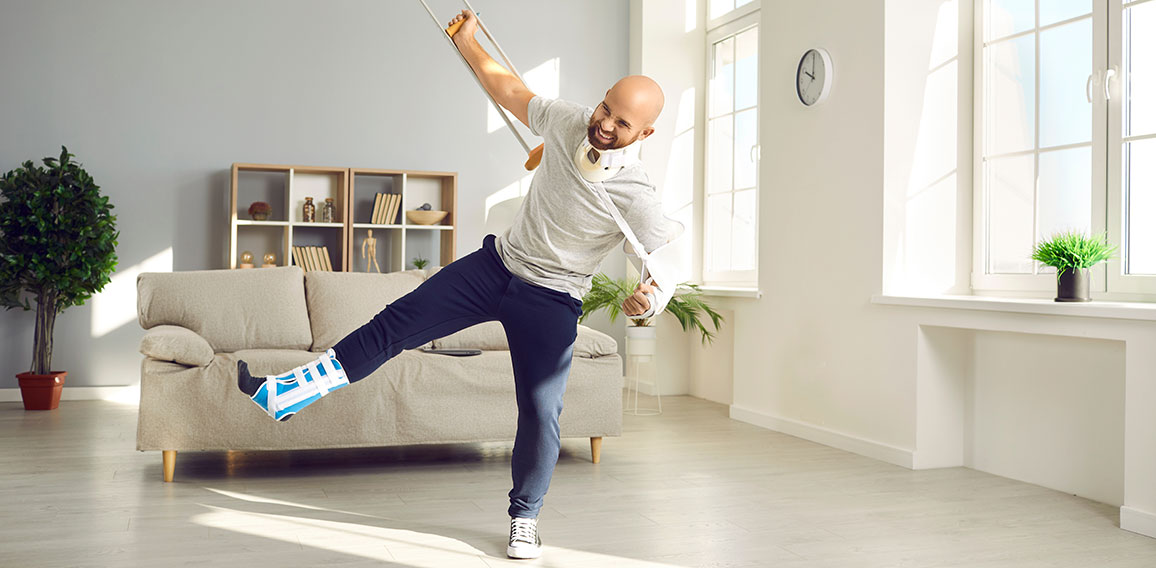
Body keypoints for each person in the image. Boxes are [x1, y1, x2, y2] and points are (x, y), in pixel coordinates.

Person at [235, 9, 676, 560]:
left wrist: (648, 300)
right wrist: (468, 40)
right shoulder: (567, 123)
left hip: (554, 297)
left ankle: (525, 518)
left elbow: (664, 268)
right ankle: (285, 396)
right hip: (496, 267)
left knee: (541, 412)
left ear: (645, 134)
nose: (605, 124)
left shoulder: (636, 192)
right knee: (392, 325)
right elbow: (509, 89)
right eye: (605, 107)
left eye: (622, 124)